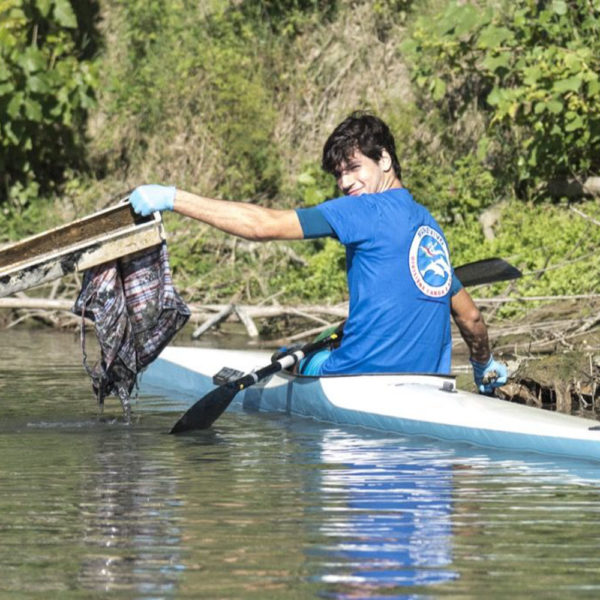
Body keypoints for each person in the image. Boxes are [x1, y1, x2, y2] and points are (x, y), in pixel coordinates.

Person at [129, 111, 506, 394]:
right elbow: (471, 318)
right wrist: (483, 364)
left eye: (354, 168)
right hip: (433, 385)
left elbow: (263, 226)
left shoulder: (362, 210)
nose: (345, 182)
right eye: (339, 174)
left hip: (359, 379)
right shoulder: (427, 227)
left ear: (385, 161)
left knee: (292, 359)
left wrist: (174, 199)